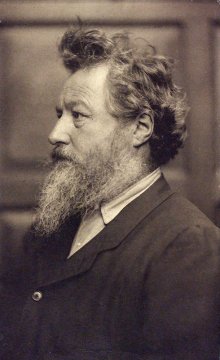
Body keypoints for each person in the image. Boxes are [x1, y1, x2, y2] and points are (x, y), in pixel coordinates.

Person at [2, 26, 220, 360]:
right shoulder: (51, 224)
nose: (55, 134)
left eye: (78, 115)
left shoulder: (190, 247)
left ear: (140, 128)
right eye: (60, 114)